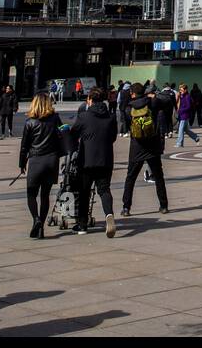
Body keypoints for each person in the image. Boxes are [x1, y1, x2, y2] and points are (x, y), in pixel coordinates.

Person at [19, 92, 68, 237]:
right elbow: (62, 136)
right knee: (45, 195)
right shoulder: (55, 119)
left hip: (35, 159)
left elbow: (24, 146)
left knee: (31, 193)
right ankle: (41, 230)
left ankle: (36, 220)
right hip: (51, 159)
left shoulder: (30, 122)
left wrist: (22, 164)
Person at [70, 87, 117, 237]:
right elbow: (113, 137)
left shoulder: (84, 116)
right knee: (104, 190)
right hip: (106, 159)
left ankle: (82, 225)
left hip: (86, 160)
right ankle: (109, 214)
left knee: (84, 192)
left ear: (90, 100)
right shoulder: (110, 117)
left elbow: (73, 134)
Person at [121, 82, 169, 216]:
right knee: (159, 177)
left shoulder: (129, 107)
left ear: (133, 93)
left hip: (137, 146)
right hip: (152, 145)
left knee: (130, 178)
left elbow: (126, 121)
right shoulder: (152, 103)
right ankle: (163, 205)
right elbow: (167, 101)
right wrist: (153, 96)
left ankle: (126, 207)